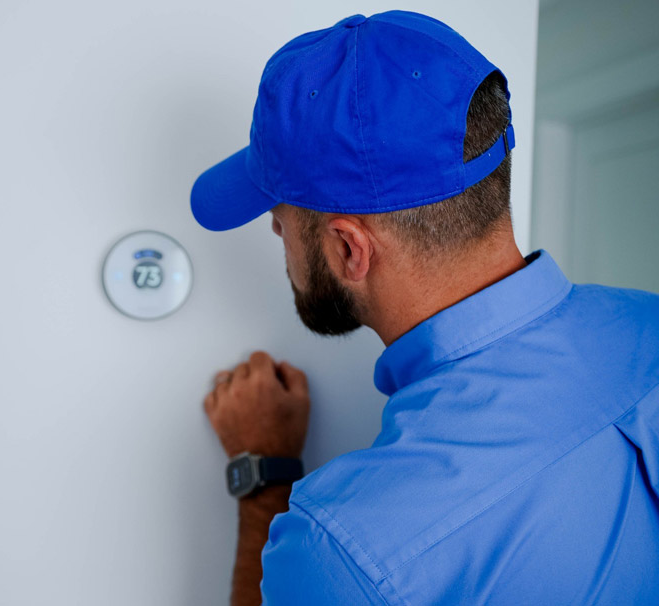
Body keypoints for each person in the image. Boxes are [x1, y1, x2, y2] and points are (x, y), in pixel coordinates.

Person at [190, 10, 659, 606]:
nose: (277, 237)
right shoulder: (651, 325)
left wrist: (263, 479)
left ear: (346, 249)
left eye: (279, 222)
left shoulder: (339, 550)